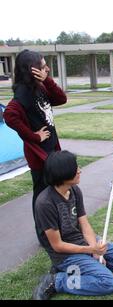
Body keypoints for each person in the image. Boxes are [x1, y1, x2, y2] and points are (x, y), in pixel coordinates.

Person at [32, 151, 113, 299]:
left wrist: (95, 249)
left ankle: (88, 268)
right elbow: (57, 246)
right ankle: (56, 281)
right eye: (76, 168)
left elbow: (84, 223)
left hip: (83, 242)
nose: (80, 170)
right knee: (109, 283)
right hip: (65, 255)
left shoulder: (74, 190)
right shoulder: (45, 203)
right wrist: (90, 249)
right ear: (63, 173)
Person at [4, 49, 67, 222]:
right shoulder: (23, 93)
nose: (47, 70)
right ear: (33, 70)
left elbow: (62, 99)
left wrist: (47, 80)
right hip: (39, 156)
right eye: (44, 67)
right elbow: (9, 115)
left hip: (52, 150)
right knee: (42, 195)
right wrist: (34, 137)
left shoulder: (40, 87)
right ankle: (44, 231)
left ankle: (54, 226)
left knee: (54, 192)